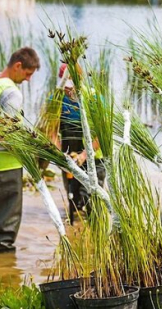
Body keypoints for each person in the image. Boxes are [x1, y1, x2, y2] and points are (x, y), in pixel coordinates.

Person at [0, 47, 40, 253]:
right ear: (18, 66)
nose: (28, 80)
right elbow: (11, 133)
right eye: (28, 74)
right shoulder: (11, 92)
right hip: (5, 165)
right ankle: (3, 274)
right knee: (4, 229)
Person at [56, 64, 106, 224]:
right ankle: (76, 237)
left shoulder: (94, 99)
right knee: (74, 202)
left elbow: (102, 133)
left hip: (93, 158)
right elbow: (51, 131)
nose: (68, 91)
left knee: (92, 201)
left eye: (71, 87)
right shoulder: (56, 100)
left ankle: (95, 238)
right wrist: (59, 155)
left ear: (80, 80)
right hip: (69, 156)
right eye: (66, 87)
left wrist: (84, 155)